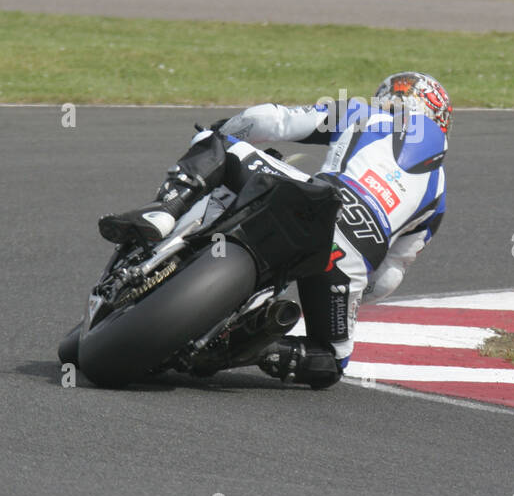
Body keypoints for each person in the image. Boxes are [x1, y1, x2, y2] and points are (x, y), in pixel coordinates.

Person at [98, 72, 450, 389]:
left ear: (390, 97)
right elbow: (390, 277)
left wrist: (226, 128)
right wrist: (355, 288)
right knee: (330, 360)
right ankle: (251, 347)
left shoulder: (366, 112)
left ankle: (164, 211)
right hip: (351, 256)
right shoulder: (439, 196)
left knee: (214, 141)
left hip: (316, 200)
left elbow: (273, 121)